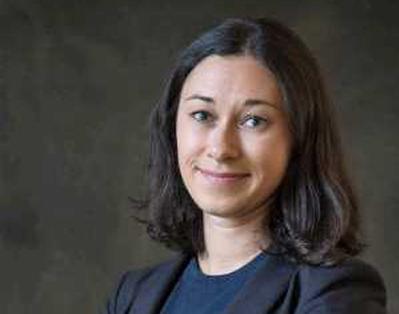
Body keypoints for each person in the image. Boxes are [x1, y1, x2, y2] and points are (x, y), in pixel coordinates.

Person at [104, 17, 387, 314]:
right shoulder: (132, 297)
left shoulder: (336, 291)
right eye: (202, 115)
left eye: (254, 121)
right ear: (172, 127)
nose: (221, 148)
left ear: (299, 138)